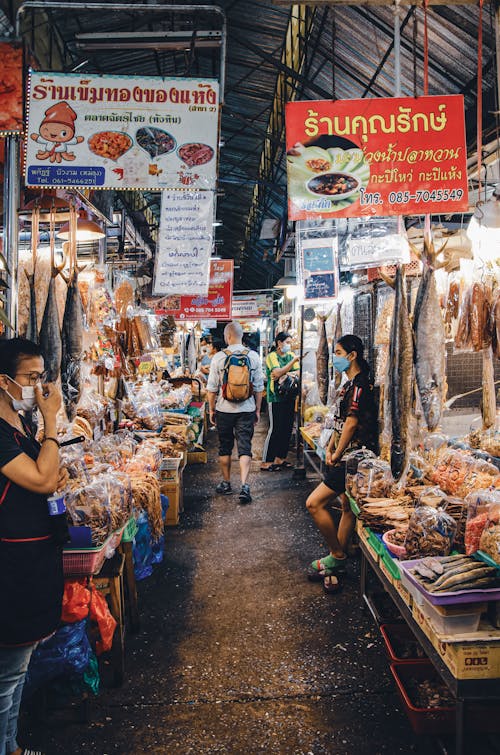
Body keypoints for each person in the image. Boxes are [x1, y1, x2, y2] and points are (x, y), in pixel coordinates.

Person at [0, 338, 68, 755]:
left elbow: (43, 476)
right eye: (30, 378)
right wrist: (52, 424)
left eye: (41, 377)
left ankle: (13, 747)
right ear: (3, 380)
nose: (38, 387)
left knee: (17, 671)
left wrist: (51, 474)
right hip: (11, 566)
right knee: (6, 677)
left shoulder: (18, 424)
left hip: (31, 558)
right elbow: (41, 479)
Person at [305, 334, 378, 594]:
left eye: (337, 352)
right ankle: (337, 561)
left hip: (355, 459)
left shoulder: (360, 384)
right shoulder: (348, 385)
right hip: (343, 455)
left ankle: (337, 553)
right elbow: (339, 421)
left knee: (314, 503)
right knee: (347, 507)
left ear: (352, 355)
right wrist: (330, 446)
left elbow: (351, 423)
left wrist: (337, 454)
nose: (334, 357)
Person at [207, 321, 264, 504]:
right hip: (246, 409)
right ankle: (245, 485)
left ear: (227, 336)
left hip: (224, 409)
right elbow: (259, 388)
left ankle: (226, 483)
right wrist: (257, 409)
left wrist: (211, 410)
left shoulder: (218, 357)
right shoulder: (253, 356)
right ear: (241, 335)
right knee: (245, 446)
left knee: (225, 446)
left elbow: (211, 389)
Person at [260, 332, 300, 471]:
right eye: (287, 342)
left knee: (287, 428)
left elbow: (297, 373)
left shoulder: (289, 356)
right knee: (275, 429)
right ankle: (266, 461)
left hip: (289, 396)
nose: (289, 345)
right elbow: (276, 373)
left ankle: (280, 459)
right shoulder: (272, 356)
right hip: (275, 397)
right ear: (279, 343)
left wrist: (285, 372)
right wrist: (291, 365)